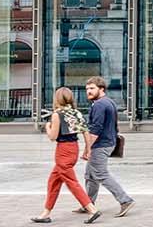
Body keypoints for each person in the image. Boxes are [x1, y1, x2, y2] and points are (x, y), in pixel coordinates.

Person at [31, 87, 100, 224]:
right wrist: (87, 149)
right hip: (74, 148)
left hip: (63, 150)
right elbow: (86, 132)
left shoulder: (57, 115)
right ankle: (45, 213)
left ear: (57, 99)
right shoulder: (75, 113)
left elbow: (52, 137)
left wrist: (47, 127)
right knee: (54, 181)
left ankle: (91, 209)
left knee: (71, 182)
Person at [80, 77, 135, 217]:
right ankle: (88, 204)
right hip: (107, 142)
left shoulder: (99, 105)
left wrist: (87, 149)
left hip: (100, 144)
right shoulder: (109, 102)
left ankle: (125, 200)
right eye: (87, 89)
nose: (88, 91)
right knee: (90, 175)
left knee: (101, 174)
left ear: (101, 89)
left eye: (92, 88)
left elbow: (96, 129)